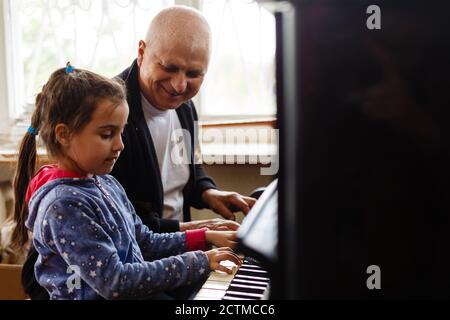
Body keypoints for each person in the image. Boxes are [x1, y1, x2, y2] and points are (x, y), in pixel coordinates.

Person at [11, 64, 241, 300]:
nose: (120, 145)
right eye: (107, 134)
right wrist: (199, 261)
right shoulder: (64, 205)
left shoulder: (106, 183)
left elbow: (145, 242)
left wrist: (204, 236)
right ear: (64, 135)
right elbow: (115, 281)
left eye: (121, 132)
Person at [112, 5, 256, 233]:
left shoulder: (186, 108)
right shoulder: (107, 113)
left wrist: (208, 193)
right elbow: (116, 220)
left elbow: (188, 170)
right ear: (141, 52)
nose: (179, 85)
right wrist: (195, 231)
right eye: (170, 67)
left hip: (178, 253)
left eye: (193, 74)